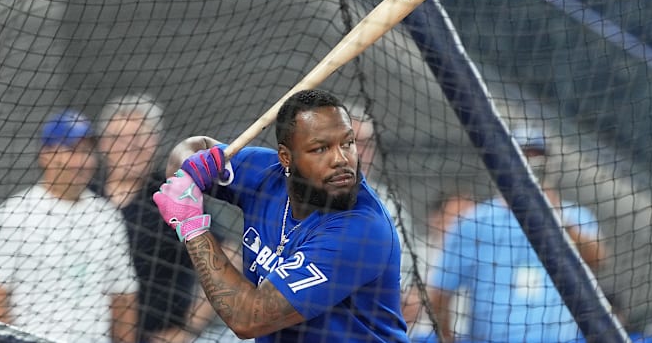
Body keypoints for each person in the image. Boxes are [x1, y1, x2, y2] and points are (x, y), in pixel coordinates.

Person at [153, 89, 410, 342]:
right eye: (320, 149)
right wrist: (192, 168)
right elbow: (188, 149)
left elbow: (248, 319)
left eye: (347, 143)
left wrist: (193, 228)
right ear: (286, 158)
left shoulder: (361, 229)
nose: (341, 159)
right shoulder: (265, 175)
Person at [427, 125, 607, 342]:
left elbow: (597, 259)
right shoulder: (477, 221)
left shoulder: (576, 216)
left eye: (537, 157)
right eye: (523, 156)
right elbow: (439, 292)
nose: (531, 164)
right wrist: (447, 338)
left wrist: (554, 216)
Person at [0, 109, 139, 343]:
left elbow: (123, 297)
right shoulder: (12, 215)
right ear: (46, 155)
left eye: (87, 152)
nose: (82, 161)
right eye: (72, 151)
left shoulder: (107, 216)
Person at [94, 94, 222, 343]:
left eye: (138, 138)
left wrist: (190, 327)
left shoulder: (174, 194)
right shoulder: (87, 195)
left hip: (158, 336)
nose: (128, 148)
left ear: (154, 142)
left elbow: (228, 256)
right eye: (118, 138)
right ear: (103, 144)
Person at [345, 101, 426, 328]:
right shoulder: (307, 197)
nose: (361, 153)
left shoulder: (389, 204)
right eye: (352, 143)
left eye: (366, 144)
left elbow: (408, 284)